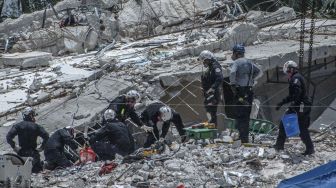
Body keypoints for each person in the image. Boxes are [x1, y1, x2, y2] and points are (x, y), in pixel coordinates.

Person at [274, 60, 314, 155]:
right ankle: (279, 145)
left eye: (287, 72)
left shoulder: (295, 79)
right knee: (285, 123)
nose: (287, 75)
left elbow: (296, 94)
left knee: (302, 128)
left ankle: (310, 149)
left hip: (301, 106)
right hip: (301, 105)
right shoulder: (297, 77)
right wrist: (282, 103)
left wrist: (292, 106)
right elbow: (292, 96)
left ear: (291, 70)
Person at [229, 44, 261, 143]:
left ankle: (241, 138)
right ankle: (245, 138)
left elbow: (232, 73)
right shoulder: (249, 62)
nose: (232, 55)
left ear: (236, 53)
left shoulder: (237, 62)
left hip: (240, 92)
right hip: (249, 91)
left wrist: (233, 85)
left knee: (239, 114)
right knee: (246, 115)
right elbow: (258, 71)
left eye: (233, 53)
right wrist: (251, 79)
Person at [6, 107, 49, 173]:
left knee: (22, 173)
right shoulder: (36, 126)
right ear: (30, 115)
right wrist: (41, 147)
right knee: (37, 172)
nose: (34, 117)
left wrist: (14, 147)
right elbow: (46, 136)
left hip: (22, 153)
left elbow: (8, 137)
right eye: (33, 115)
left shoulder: (18, 126)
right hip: (34, 154)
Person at [198, 50, 224, 127]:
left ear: (208, 59)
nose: (203, 63)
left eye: (204, 61)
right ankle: (212, 127)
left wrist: (212, 88)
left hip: (213, 94)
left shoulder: (215, 66)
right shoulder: (210, 67)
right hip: (209, 94)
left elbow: (219, 78)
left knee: (211, 111)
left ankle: (213, 130)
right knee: (209, 110)